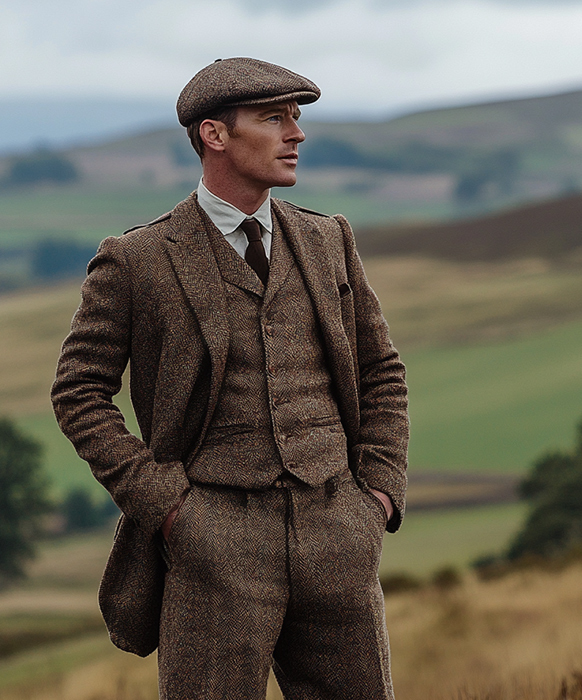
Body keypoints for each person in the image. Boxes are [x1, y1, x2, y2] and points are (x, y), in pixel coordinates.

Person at [51, 57, 408, 700]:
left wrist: (376, 493)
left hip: (339, 533)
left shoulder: (329, 239)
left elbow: (381, 370)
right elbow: (78, 391)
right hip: (212, 539)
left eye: (295, 117)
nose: (295, 134)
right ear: (214, 135)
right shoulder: (137, 259)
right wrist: (167, 509)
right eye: (273, 119)